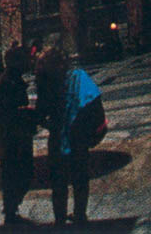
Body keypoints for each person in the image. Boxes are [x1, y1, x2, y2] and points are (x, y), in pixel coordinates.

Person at [35, 46, 104, 228]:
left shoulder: (47, 82)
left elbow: (41, 114)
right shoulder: (77, 78)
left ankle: (61, 220)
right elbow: (95, 103)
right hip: (75, 138)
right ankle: (79, 215)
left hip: (61, 138)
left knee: (60, 183)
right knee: (79, 179)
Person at [0, 45, 36, 226]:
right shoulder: (7, 82)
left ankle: (11, 209)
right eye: (24, 59)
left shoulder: (11, 79)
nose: (28, 62)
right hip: (12, 136)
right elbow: (6, 112)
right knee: (17, 171)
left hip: (14, 135)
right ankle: (11, 212)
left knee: (15, 172)